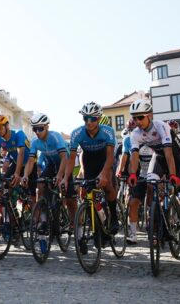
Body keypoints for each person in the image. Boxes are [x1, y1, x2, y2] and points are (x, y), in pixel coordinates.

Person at [125, 100, 180, 259]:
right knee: (151, 185)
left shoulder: (161, 126)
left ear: (149, 115)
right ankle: (157, 227)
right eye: (134, 118)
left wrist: (172, 175)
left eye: (140, 117)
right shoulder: (136, 133)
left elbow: (169, 154)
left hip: (175, 158)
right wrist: (132, 174)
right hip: (158, 158)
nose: (137, 121)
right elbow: (134, 156)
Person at [63, 102, 118, 250]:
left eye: (92, 119)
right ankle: (96, 227)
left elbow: (110, 157)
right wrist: (66, 178)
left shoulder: (107, 131)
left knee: (106, 185)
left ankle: (113, 216)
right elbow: (71, 158)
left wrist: (104, 174)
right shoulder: (77, 133)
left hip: (104, 159)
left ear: (99, 119)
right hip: (88, 160)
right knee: (89, 194)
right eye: (85, 118)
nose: (88, 122)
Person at [22, 113, 75, 252]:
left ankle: (75, 226)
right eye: (35, 129)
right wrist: (25, 175)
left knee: (69, 197)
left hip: (65, 164)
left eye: (40, 128)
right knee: (40, 185)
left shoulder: (55, 137)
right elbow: (30, 160)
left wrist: (59, 176)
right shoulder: (35, 141)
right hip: (51, 164)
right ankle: (45, 214)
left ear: (47, 127)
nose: (37, 132)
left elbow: (64, 158)